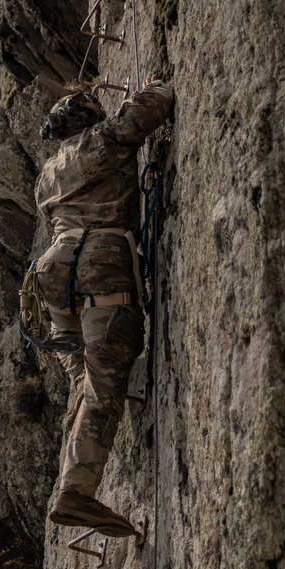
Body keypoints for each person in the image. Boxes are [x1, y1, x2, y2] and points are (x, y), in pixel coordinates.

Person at [33, 76, 174, 537]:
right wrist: (156, 84)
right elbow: (154, 106)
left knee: (83, 380)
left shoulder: (46, 177)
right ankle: (76, 491)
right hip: (99, 263)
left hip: (52, 276)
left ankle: (73, 474)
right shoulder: (100, 143)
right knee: (106, 381)